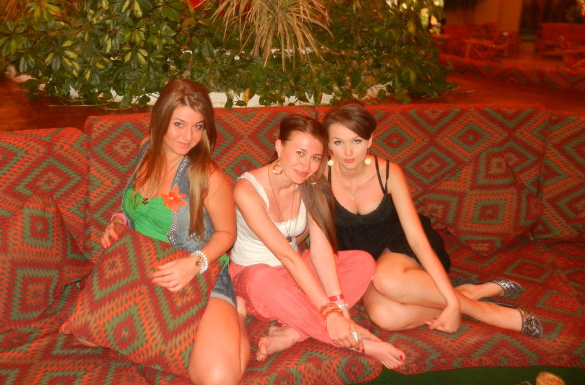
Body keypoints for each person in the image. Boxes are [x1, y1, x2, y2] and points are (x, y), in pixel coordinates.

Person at [323, 100, 542, 338]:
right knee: (386, 316)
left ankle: (485, 311)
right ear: (328, 144)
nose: (348, 152)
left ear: (369, 141)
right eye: (338, 142)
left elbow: (417, 240)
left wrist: (453, 304)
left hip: (397, 245)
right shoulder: (320, 176)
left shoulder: (389, 173)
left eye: (356, 141)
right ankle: (467, 293)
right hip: (358, 256)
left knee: (388, 280)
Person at [100, 79, 250, 385]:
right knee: (88, 336)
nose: (188, 137)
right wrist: (119, 222)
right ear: (160, 119)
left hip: (197, 270)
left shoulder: (207, 176)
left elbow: (227, 233)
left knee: (218, 381)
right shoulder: (147, 148)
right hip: (142, 264)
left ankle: (238, 315)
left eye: (198, 127)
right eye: (179, 124)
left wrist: (194, 264)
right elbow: (135, 207)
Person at [230, 114, 405, 369]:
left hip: (294, 273)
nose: (306, 166)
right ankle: (359, 343)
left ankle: (293, 332)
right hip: (254, 280)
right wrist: (329, 313)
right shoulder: (247, 190)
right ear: (279, 146)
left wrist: (339, 308)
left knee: (363, 261)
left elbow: (320, 250)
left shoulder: (311, 184)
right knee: (261, 277)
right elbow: (286, 256)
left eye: (315, 157)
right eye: (300, 153)